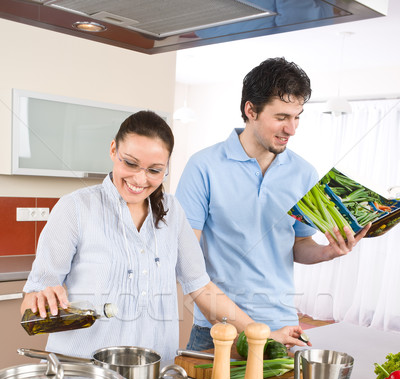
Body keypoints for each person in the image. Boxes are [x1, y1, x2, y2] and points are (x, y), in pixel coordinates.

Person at [21, 110, 308, 361]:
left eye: (154, 170)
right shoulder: (76, 209)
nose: (139, 179)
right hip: (82, 376)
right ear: (113, 150)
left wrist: (264, 336)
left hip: (152, 376)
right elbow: (33, 297)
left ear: (167, 168)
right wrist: (41, 297)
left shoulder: (172, 212)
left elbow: (202, 288)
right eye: (130, 163)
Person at [176, 57, 370, 351]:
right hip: (218, 330)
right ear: (250, 110)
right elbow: (187, 262)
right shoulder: (203, 166)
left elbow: (299, 245)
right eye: (281, 117)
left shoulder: (303, 173)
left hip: (281, 325)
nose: (291, 129)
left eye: (297, 117)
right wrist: (255, 332)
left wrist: (328, 252)